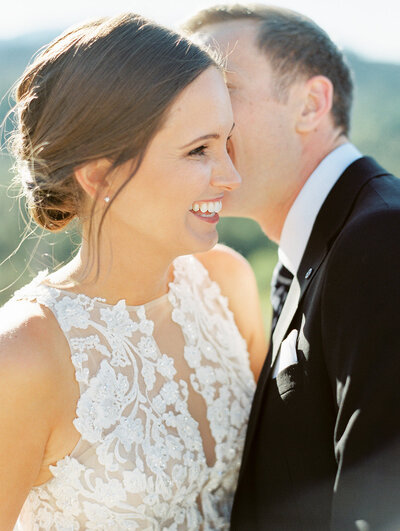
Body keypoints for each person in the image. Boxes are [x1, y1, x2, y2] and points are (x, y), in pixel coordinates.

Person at [0, 14, 267, 530]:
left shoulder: (226, 285)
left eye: (226, 142)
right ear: (101, 174)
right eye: (198, 150)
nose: (230, 177)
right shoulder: (25, 355)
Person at [184, 5, 400, 530]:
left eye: (223, 88)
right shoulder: (320, 248)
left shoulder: (380, 240)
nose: (198, 121)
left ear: (310, 105)